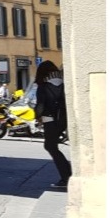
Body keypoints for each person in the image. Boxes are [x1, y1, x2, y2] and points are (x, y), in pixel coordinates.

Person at [33, 60, 72, 188]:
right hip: (63, 120)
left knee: (50, 146)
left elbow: (40, 106)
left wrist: (37, 117)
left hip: (49, 120)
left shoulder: (43, 86)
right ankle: (68, 174)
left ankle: (67, 177)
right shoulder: (63, 84)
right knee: (52, 146)